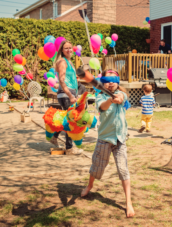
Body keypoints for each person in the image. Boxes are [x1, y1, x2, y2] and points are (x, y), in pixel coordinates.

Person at [81, 69, 135, 218]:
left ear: (118, 82)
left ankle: (128, 202)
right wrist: (110, 100)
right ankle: (90, 185)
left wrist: (117, 98)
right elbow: (103, 107)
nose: (110, 82)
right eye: (107, 80)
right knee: (97, 167)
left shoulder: (122, 94)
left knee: (123, 170)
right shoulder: (100, 96)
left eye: (114, 80)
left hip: (120, 139)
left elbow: (121, 99)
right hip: (104, 139)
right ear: (103, 82)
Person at [49, 40, 82, 155]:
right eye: (66, 48)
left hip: (69, 93)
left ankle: (54, 137)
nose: (69, 50)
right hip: (66, 94)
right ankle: (69, 148)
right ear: (62, 50)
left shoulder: (69, 61)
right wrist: (71, 95)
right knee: (71, 121)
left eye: (70, 47)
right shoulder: (62, 62)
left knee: (67, 119)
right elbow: (62, 80)